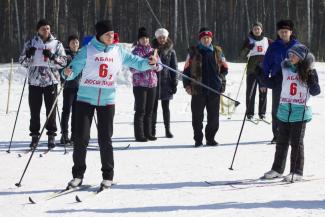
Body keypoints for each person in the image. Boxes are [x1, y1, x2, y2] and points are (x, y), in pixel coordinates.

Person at [63, 20, 158, 189]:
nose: (111, 36)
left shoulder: (119, 50)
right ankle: (77, 175)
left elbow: (137, 62)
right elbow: (72, 71)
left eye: (112, 33)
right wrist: (67, 72)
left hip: (107, 100)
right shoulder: (87, 50)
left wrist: (149, 63)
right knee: (81, 139)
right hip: (85, 99)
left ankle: (108, 175)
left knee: (105, 139)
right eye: (107, 34)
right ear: (99, 35)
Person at [263, 44, 321, 181]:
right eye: (290, 54)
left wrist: (313, 82)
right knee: (281, 142)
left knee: (296, 143)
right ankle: (277, 169)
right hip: (284, 110)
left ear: (301, 57)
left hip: (300, 111)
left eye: (294, 55)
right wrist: (261, 76)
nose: (290, 57)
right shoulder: (285, 69)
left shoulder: (309, 70)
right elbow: (273, 83)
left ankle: (297, 172)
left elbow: (316, 91)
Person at [19, 19, 67, 149]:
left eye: (48, 28)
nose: (46, 30)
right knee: (34, 111)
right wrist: (28, 55)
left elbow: (63, 62)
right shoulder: (30, 43)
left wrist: (52, 56)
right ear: (38, 30)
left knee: (50, 111)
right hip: (34, 82)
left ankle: (51, 136)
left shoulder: (57, 44)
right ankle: (35, 136)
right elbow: (22, 62)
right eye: (43, 28)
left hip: (51, 81)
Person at [183, 27, 228, 147]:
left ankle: (210, 138)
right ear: (200, 39)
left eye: (208, 37)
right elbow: (186, 70)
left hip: (214, 89)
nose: (206, 40)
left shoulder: (218, 52)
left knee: (214, 118)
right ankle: (198, 139)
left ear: (211, 38)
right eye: (203, 38)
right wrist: (187, 85)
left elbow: (224, 69)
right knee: (197, 117)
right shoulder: (193, 52)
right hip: (197, 89)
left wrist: (222, 83)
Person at [262, 20, 300, 144]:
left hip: (294, 80)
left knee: (292, 108)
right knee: (277, 108)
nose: (284, 33)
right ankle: (277, 135)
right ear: (278, 32)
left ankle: (291, 134)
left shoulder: (297, 46)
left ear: (291, 32)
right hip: (278, 80)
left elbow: (305, 62)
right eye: (281, 31)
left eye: (286, 31)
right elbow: (266, 64)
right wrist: (263, 81)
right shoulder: (273, 46)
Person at [130, 27, 162, 142]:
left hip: (152, 84)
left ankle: (148, 133)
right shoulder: (135, 52)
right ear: (138, 40)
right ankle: (139, 134)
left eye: (147, 38)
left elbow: (160, 66)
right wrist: (146, 63)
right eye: (142, 38)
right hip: (140, 85)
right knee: (141, 110)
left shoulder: (153, 51)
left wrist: (155, 65)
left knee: (150, 110)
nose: (145, 40)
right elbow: (132, 68)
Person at [240, 22, 271, 120]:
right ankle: (249, 113)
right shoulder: (249, 40)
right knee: (250, 92)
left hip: (263, 71)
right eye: (255, 29)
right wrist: (248, 48)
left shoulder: (267, 40)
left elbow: (276, 49)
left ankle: (262, 113)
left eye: (258, 29)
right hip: (251, 71)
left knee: (263, 91)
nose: (257, 31)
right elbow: (241, 55)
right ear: (252, 30)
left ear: (262, 30)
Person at [152, 28, 178, 138]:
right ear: (157, 38)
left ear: (167, 38)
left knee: (166, 107)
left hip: (166, 82)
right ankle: (152, 129)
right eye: (160, 37)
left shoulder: (171, 51)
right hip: (154, 82)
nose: (162, 39)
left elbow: (174, 67)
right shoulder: (152, 49)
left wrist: (175, 82)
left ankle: (167, 130)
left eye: (164, 37)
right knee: (153, 107)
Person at [60, 35, 80, 145]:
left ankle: (74, 135)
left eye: (76, 42)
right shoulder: (66, 56)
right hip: (68, 87)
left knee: (77, 113)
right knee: (66, 111)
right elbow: (61, 69)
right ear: (69, 44)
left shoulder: (81, 55)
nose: (75, 45)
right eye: (73, 43)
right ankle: (64, 135)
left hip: (79, 88)